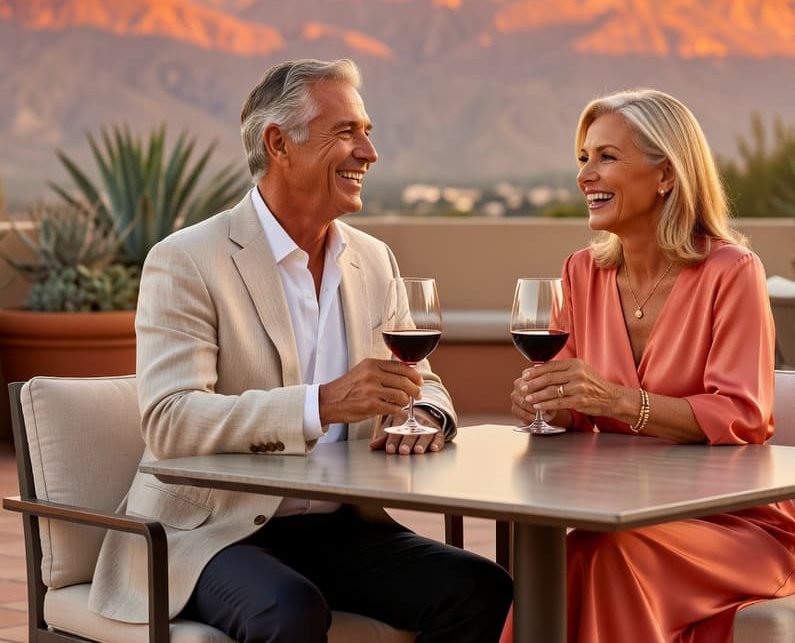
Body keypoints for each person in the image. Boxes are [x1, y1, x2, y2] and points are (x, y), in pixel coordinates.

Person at [89, 58, 512, 643]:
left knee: (479, 587)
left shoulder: (374, 260)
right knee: (290, 610)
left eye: (368, 132)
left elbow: (422, 379)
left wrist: (426, 415)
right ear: (278, 143)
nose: (368, 152)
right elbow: (170, 419)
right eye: (346, 133)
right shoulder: (187, 259)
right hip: (213, 531)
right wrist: (321, 404)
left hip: (341, 529)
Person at [502, 89, 795, 642]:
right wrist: (545, 400)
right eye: (583, 158)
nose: (585, 174)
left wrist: (617, 401)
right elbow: (573, 404)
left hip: (732, 526)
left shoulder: (731, 272)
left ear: (666, 174)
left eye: (607, 157)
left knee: (603, 556)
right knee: (577, 555)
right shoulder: (580, 272)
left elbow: (743, 416)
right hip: (625, 514)